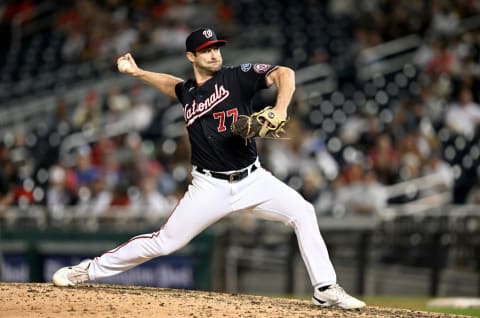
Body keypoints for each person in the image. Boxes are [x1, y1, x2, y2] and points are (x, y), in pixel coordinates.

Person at [51, 27, 365, 310]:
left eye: (216, 47)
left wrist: (280, 108)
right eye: (206, 49)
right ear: (191, 56)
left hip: (253, 180)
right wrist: (138, 73)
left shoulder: (237, 76)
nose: (214, 53)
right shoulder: (188, 92)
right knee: (164, 242)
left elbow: (285, 73)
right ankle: (87, 270)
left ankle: (324, 288)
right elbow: (172, 85)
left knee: (303, 211)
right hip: (208, 187)